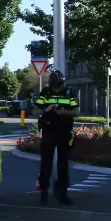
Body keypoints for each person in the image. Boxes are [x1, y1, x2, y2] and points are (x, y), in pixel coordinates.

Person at [34, 68, 79, 205]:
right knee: (46, 163)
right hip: (49, 131)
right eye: (56, 86)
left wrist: (63, 112)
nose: (58, 89)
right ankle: (44, 193)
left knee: (63, 163)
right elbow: (35, 110)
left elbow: (76, 112)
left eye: (59, 85)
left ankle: (62, 193)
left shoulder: (69, 93)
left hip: (64, 131)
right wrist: (46, 109)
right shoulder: (46, 93)